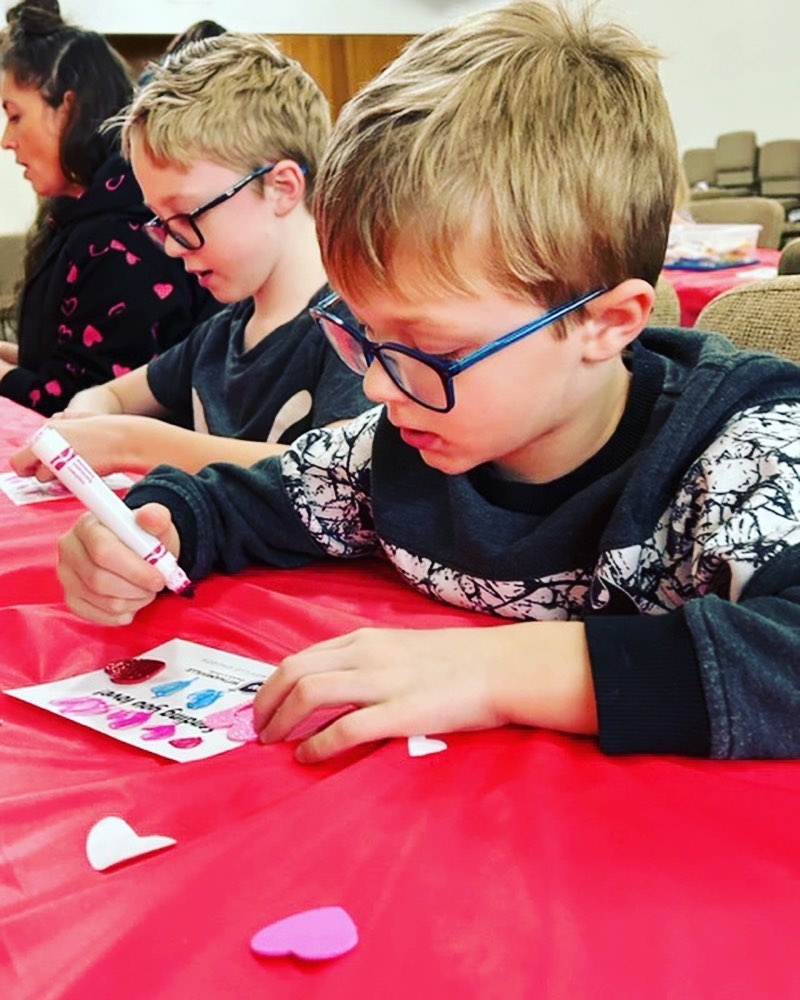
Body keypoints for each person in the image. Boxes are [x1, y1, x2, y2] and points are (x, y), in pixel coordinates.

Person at [56, 1, 800, 764]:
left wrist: (495, 672)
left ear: (605, 325)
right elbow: (244, 500)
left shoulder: (743, 460)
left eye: (429, 348)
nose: (378, 387)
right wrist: (152, 527)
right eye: (363, 335)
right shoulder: (395, 451)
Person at [10, 32, 370, 477]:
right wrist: (88, 416)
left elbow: (340, 475)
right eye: (160, 223)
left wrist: (129, 440)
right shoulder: (218, 336)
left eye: (187, 216)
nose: (174, 248)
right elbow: (114, 396)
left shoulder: (354, 330)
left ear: (281, 187)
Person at [0, 0, 217, 415]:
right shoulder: (78, 220)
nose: (7, 140)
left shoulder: (123, 236)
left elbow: (78, 402)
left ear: (66, 107)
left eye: (15, 116)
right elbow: (61, 361)